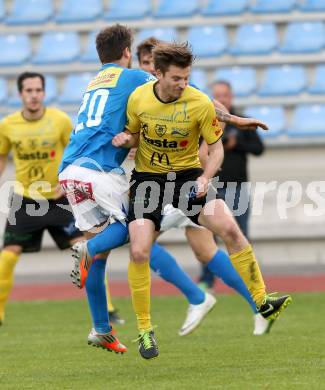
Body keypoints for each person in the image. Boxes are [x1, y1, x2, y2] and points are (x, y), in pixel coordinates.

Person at [112, 42, 292, 358]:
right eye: (177, 79)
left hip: (188, 177)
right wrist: (127, 138)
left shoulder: (198, 103)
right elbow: (136, 133)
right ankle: (145, 332)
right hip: (148, 180)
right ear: (158, 73)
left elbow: (217, 147)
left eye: (187, 78)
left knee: (231, 231)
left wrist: (206, 176)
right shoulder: (138, 99)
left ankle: (263, 301)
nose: (184, 84)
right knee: (140, 250)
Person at [0, 72, 82, 326]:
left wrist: (68, 182)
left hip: (58, 198)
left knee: (85, 251)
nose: (34, 95)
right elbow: (2, 156)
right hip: (25, 199)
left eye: (38, 90)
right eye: (29, 90)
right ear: (20, 94)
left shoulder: (59, 120)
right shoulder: (7, 125)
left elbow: (75, 151)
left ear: (44, 93)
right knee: (8, 255)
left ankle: (109, 309)